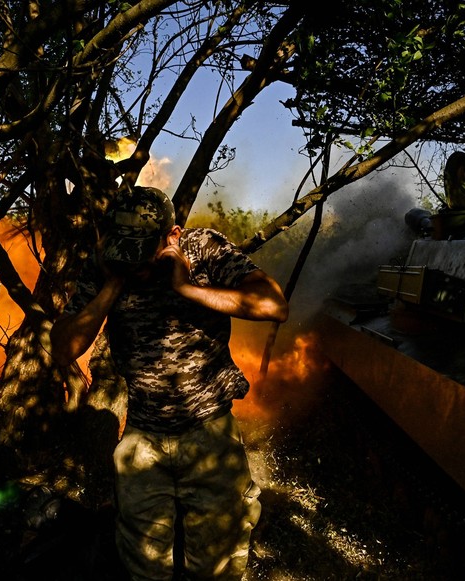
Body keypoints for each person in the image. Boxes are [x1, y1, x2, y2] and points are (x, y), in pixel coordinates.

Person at [50, 185, 289, 581]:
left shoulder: (202, 248)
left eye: (145, 252)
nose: (137, 265)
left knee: (217, 565)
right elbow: (63, 347)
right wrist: (111, 287)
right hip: (143, 438)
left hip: (209, 432)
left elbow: (273, 305)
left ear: (173, 236)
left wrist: (187, 288)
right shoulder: (107, 264)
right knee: (144, 564)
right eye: (128, 251)